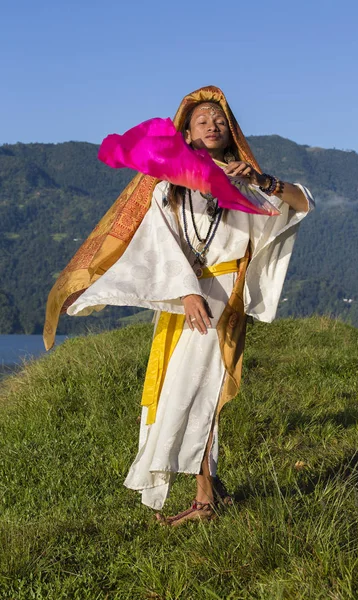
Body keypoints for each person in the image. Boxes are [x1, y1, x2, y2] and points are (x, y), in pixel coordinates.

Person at [44, 86, 314, 526]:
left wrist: (262, 181)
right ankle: (212, 488)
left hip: (223, 294)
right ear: (186, 134)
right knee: (176, 391)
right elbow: (159, 244)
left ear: (232, 133)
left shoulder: (244, 182)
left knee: (200, 392)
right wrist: (186, 291)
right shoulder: (167, 189)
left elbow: (303, 204)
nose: (212, 124)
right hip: (184, 300)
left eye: (220, 120)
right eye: (202, 120)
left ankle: (204, 500)